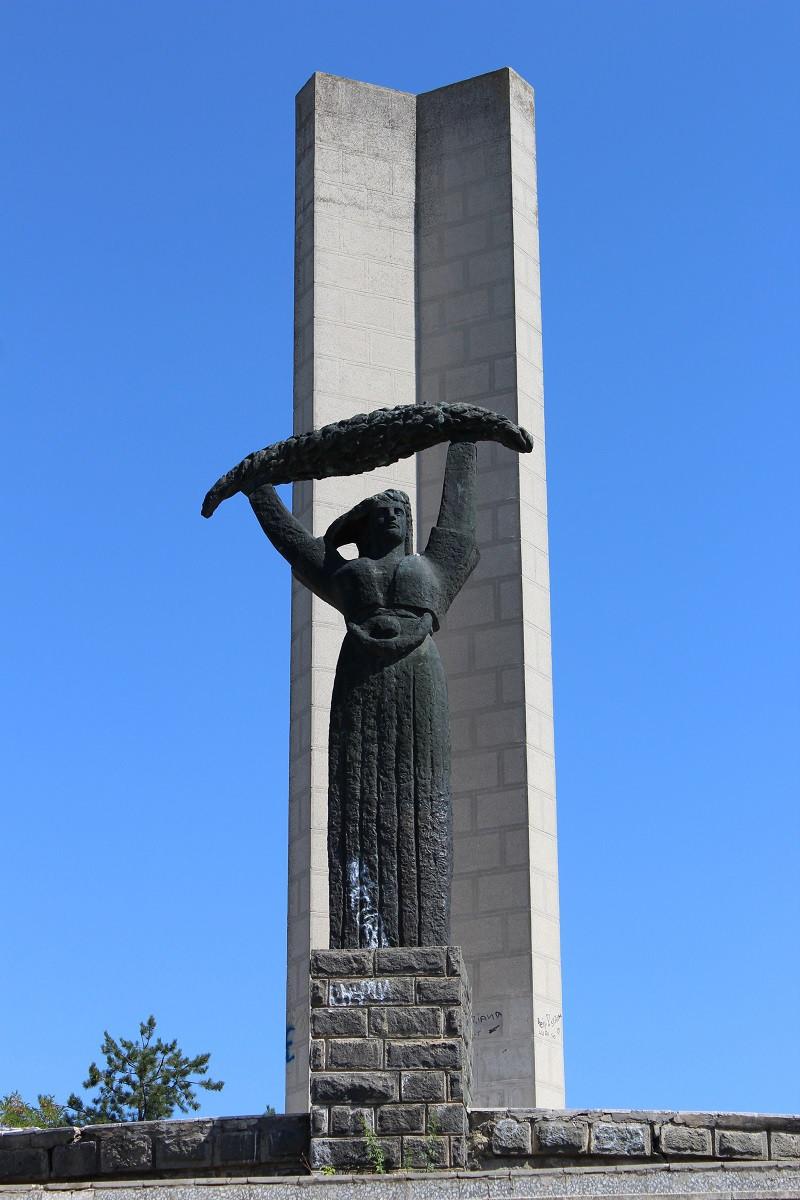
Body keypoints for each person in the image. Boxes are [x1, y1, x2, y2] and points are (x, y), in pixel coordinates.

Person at [246, 441, 478, 948]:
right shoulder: (346, 574)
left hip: (418, 684)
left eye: (401, 510)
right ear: (364, 525)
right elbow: (293, 543)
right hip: (360, 686)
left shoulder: (431, 569)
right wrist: (257, 485)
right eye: (383, 511)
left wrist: (464, 441)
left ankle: (422, 936)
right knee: (356, 796)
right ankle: (359, 935)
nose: (394, 516)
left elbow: (459, 522)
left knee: (424, 796)